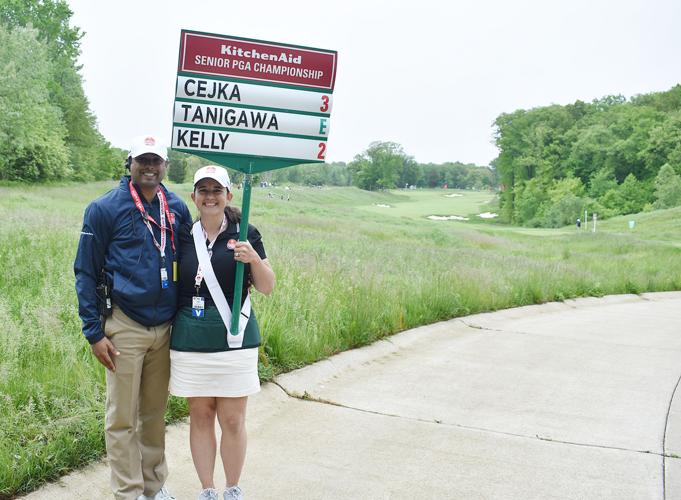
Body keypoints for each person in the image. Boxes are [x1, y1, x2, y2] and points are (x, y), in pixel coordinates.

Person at [74, 135, 191, 500]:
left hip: (165, 327)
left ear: (166, 165)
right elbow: (85, 271)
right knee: (122, 418)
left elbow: (193, 256)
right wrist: (94, 333)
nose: (150, 167)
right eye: (143, 159)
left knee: (154, 415)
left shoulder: (176, 206)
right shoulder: (104, 208)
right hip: (124, 325)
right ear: (130, 162)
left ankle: (154, 487)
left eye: (156, 160)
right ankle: (128, 492)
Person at [169, 165, 275, 500]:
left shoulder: (246, 232)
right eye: (204, 190)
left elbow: (268, 287)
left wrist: (253, 258)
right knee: (200, 416)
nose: (210, 196)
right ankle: (207, 489)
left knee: (232, 420)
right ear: (194, 197)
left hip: (234, 337)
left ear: (229, 195)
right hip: (191, 338)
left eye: (217, 190)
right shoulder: (183, 234)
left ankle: (232, 488)